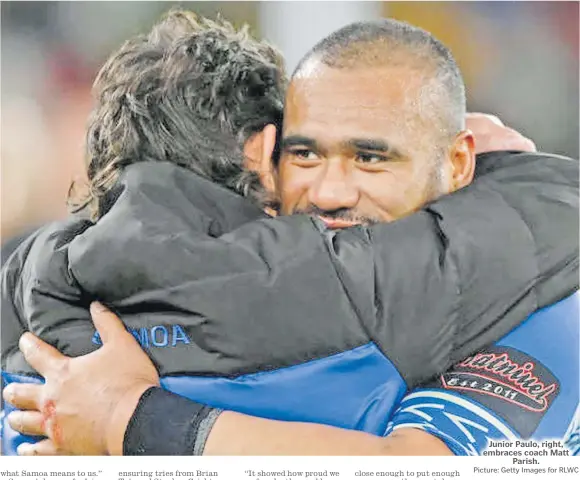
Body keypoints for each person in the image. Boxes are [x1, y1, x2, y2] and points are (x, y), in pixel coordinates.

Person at [1, 13, 577, 456]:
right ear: (266, 157)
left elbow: (428, 466)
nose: (329, 191)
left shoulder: (541, 307)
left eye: (371, 158)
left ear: (457, 162)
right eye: (303, 154)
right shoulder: (260, 295)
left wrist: (133, 419)